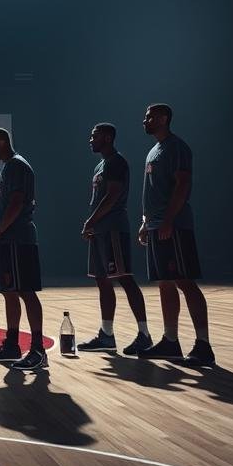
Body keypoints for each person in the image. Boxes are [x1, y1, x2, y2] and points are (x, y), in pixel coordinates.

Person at [137, 104, 215, 367]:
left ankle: (203, 345)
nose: (144, 121)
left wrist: (169, 220)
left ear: (163, 118)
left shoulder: (177, 148)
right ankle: (171, 341)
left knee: (185, 281)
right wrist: (145, 222)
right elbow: (152, 193)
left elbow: (183, 185)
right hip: (156, 226)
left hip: (174, 226)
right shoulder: (152, 151)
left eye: (148, 117)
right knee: (165, 283)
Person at [78, 123, 151, 355]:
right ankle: (106, 335)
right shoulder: (101, 164)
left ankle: (144, 335)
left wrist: (90, 221)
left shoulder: (117, 162)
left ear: (107, 138)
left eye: (94, 136)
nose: (90, 140)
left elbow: (113, 195)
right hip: (99, 230)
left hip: (113, 230)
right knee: (102, 280)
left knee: (125, 278)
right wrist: (92, 224)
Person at [0, 128, 47, 371]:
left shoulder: (18, 166)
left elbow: (17, 202)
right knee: (10, 292)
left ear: (3, 142)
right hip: (9, 241)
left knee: (26, 291)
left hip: (19, 239)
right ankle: (11, 345)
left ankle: (38, 350)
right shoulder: (8, 167)